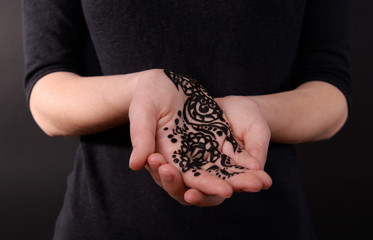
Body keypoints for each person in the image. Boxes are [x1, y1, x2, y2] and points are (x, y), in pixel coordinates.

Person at [22, 0, 352, 239]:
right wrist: (140, 88)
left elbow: (330, 92)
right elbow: (47, 93)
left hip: (269, 222)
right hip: (105, 223)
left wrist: (256, 110)